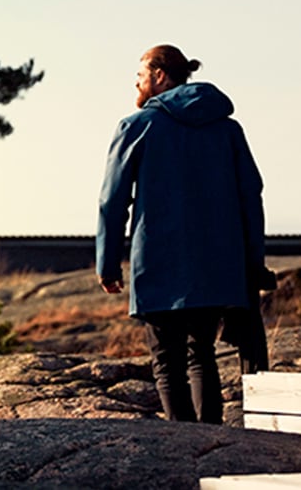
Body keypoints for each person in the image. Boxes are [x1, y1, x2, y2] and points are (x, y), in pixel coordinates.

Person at [96, 44, 265, 424]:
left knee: (167, 362)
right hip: (216, 265)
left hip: (159, 263)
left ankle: (183, 449)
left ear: (159, 76)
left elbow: (112, 201)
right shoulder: (227, 129)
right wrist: (252, 262)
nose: (135, 83)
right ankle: (213, 439)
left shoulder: (136, 127)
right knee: (200, 354)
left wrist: (107, 264)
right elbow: (251, 195)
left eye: (140, 75)